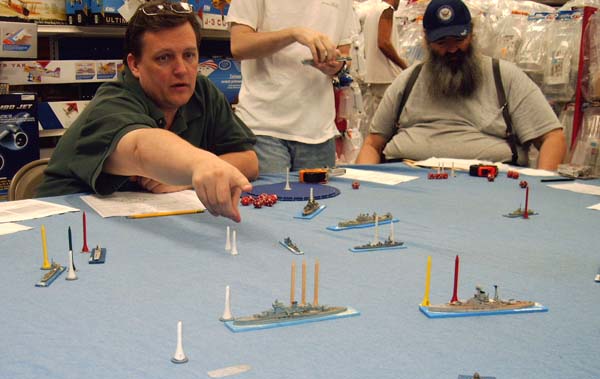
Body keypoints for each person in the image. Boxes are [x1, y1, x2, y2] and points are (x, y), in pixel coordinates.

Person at [37, 1, 258, 222]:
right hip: (66, 220)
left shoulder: (202, 92)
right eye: (164, 58)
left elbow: (249, 160)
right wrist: (197, 165)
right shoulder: (113, 102)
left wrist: (186, 179)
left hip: (141, 219)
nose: (181, 70)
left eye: (189, 55)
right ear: (134, 65)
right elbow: (139, 148)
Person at [356, 0, 566, 170]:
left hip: (490, 184)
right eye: (442, 43)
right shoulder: (407, 81)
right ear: (426, 40)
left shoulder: (505, 77)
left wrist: (540, 189)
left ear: (472, 34)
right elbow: (373, 144)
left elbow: (552, 137)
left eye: (458, 40)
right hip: (404, 178)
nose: (452, 49)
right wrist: (363, 186)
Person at [226, 0, 357, 173]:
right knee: (273, 191)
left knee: (320, 192)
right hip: (263, 128)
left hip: (319, 133)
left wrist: (337, 65)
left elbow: (345, 55)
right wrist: (293, 34)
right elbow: (239, 45)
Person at [361, 0, 408, 140]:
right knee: (388, 130)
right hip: (388, 77)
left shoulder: (372, 12)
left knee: (377, 127)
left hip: (375, 77)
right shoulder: (387, 9)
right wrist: (404, 66)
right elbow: (383, 43)